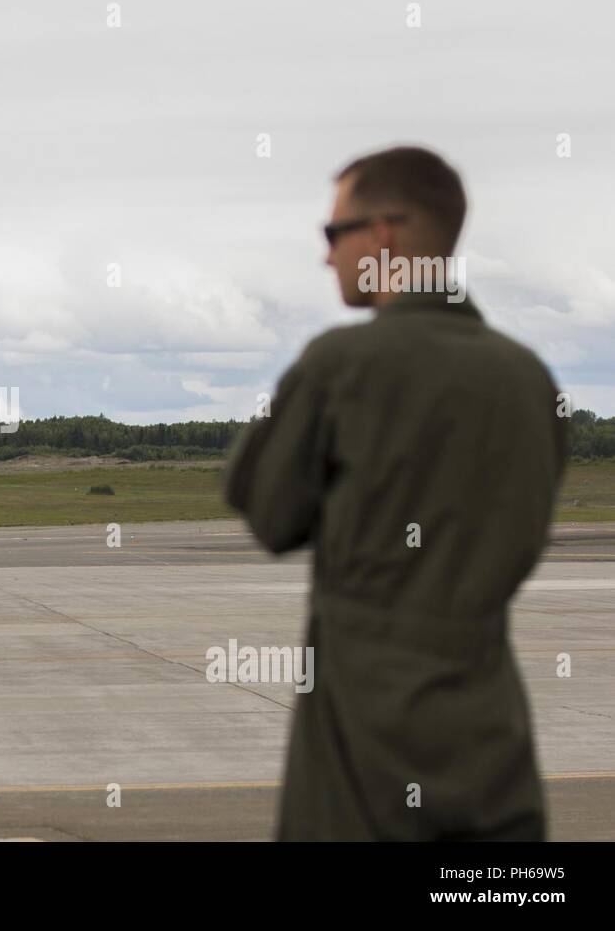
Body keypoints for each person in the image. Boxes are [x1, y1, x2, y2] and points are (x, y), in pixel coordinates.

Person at [224, 146, 569, 840]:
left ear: (382, 234)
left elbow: (267, 510)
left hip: (362, 770)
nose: (327, 258)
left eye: (334, 234)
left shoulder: (341, 365)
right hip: (495, 762)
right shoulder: (531, 379)